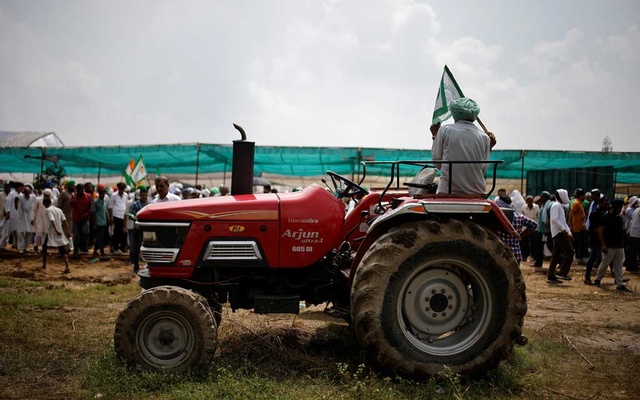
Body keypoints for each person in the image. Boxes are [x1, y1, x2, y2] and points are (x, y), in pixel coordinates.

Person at [430, 98, 496, 195]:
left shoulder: (444, 130)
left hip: (447, 191)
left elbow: (437, 163)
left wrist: (436, 136)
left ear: (454, 113)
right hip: (477, 192)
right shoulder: (484, 137)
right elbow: (483, 169)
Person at [594, 199, 633, 292]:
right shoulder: (605, 218)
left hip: (619, 245)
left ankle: (620, 284)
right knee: (604, 264)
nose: (620, 209)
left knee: (618, 266)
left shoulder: (619, 218)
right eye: (618, 208)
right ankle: (597, 279)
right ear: (614, 207)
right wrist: (603, 245)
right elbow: (600, 232)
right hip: (609, 245)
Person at [547, 189, 575, 283]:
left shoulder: (560, 206)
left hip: (559, 232)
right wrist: (564, 231)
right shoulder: (556, 206)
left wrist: (569, 232)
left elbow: (563, 221)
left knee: (556, 254)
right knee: (570, 251)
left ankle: (550, 275)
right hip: (559, 233)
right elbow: (555, 220)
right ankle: (563, 272)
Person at [42, 197, 71, 273]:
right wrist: (67, 231)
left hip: (52, 231)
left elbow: (52, 220)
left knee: (45, 247)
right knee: (62, 249)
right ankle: (67, 265)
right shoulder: (59, 210)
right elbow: (64, 221)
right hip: (59, 231)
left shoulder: (48, 210)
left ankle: (44, 264)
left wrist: (56, 230)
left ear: (46, 204)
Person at [584, 196, 609, 284]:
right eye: (605, 204)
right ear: (600, 203)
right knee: (593, 257)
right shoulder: (595, 214)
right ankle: (587, 277)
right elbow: (596, 229)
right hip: (596, 239)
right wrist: (602, 241)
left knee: (611, 258)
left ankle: (617, 277)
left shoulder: (605, 213)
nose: (607, 205)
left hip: (604, 239)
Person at [125, 186, 149, 272]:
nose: (144, 197)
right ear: (140, 195)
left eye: (146, 195)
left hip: (146, 229)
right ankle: (136, 266)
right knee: (136, 247)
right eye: (143, 195)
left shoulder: (148, 204)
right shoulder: (135, 204)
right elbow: (129, 215)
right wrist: (137, 217)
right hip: (137, 228)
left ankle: (146, 265)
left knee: (146, 247)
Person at [70, 183, 92, 255]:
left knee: (85, 233)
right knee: (76, 235)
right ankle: (76, 249)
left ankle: (83, 247)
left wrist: (87, 213)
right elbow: (72, 205)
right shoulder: (74, 196)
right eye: (79, 190)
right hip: (76, 218)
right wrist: (75, 196)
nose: (80, 191)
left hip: (84, 218)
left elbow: (90, 206)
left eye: (81, 190)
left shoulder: (88, 196)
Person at [107, 182, 128, 254]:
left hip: (123, 216)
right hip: (116, 216)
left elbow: (126, 205)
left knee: (124, 232)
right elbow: (110, 207)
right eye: (121, 189)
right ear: (118, 188)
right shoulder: (113, 195)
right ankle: (115, 247)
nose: (122, 190)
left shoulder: (126, 195)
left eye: (123, 189)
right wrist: (111, 217)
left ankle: (123, 247)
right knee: (117, 232)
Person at [532, 191, 551, 268]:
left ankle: (560, 261)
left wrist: (547, 228)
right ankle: (538, 263)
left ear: (545, 197)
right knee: (539, 246)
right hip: (541, 229)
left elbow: (550, 218)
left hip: (545, 230)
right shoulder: (543, 205)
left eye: (542, 197)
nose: (540, 198)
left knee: (550, 246)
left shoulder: (548, 205)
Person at [569, 188, 588, 264]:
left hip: (580, 227)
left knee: (581, 243)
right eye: (584, 196)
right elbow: (571, 214)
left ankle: (580, 257)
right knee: (579, 244)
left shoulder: (579, 203)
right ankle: (579, 258)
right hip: (576, 228)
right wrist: (571, 226)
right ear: (581, 196)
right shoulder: (576, 203)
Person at [16, 184, 36, 253]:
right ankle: (20, 248)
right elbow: (16, 204)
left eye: (28, 192)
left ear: (30, 192)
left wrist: (34, 217)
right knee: (21, 232)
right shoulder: (20, 197)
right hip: (21, 217)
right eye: (25, 192)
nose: (26, 193)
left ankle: (25, 247)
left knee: (29, 232)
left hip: (30, 217)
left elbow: (34, 208)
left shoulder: (33, 198)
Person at [521, 195, 540, 262]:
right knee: (525, 242)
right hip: (526, 227)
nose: (529, 202)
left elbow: (538, 217)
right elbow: (522, 217)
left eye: (530, 200)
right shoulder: (523, 207)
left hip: (534, 227)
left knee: (534, 242)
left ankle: (534, 256)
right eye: (528, 200)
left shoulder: (536, 207)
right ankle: (524, 256)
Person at [91, 185, 108, 257]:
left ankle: (95, 250)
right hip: (98, 222)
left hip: (103, 221)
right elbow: (93, 213)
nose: (103, 195)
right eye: (101, 193)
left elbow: (105, 211)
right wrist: (94, 223)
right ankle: (101, 251)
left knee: (100, 237)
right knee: (100, 237)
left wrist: (107, 219)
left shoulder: (104, 201)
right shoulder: (95, 202)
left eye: (104, 193)